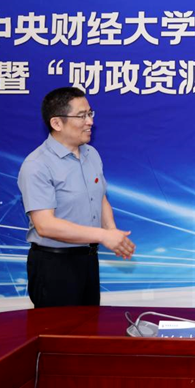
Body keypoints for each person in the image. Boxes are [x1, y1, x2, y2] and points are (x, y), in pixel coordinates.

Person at [18, 87, 136, 308]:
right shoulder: (37, 165)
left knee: (89, 326)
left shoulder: (92, 154)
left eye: (90, 113)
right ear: (57, 123)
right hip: (54, 265)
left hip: (88, 259)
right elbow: (45, 225)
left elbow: (99, 197)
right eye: (82, 116)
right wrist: (102, 235)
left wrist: (111, 231)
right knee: (58, 329)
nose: (90, 121)